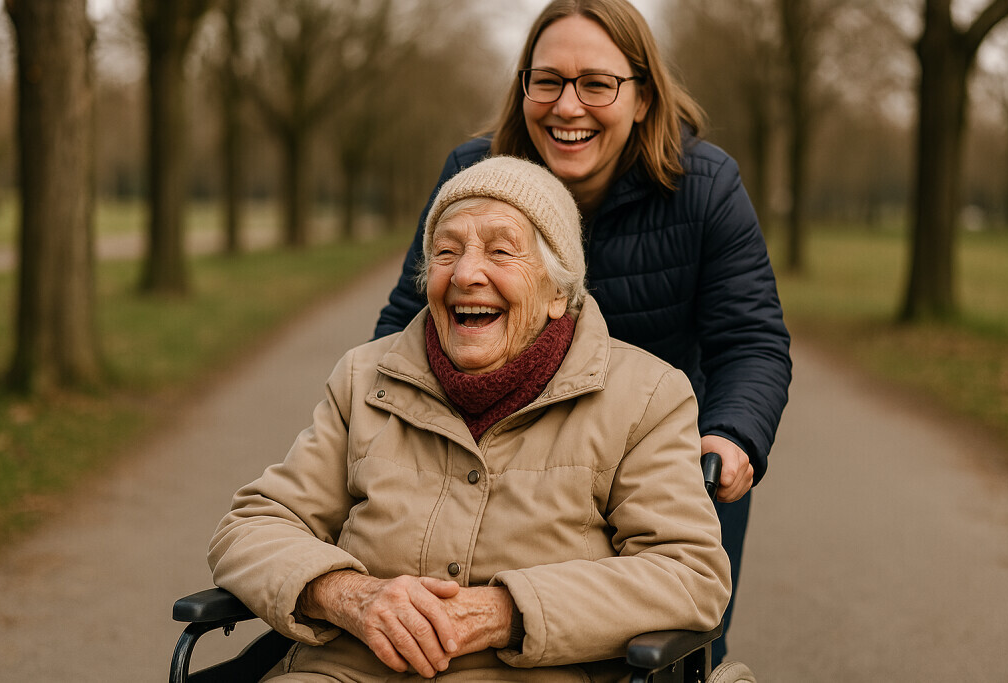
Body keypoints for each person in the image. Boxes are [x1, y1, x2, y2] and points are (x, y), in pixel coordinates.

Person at [374, 0, 792, 665]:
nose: (568, 107)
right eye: (548, 81)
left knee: (673, 650)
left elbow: (750, 339)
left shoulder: (706, 188)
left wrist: (733, 433)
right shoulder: (473, 174)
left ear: (643, 96)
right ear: (524, 88)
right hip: (511, 459)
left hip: (662, 462)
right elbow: (406, 322)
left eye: (596, 83)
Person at [210, 157, 731, 682]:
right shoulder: (364, 378)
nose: (465, 274)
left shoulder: (645, 397)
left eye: (501, 251)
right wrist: (347, 595)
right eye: (445, 252)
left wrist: (506, 612)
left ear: (557, 292)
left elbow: (689, 574)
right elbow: (252, 527)